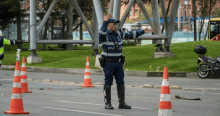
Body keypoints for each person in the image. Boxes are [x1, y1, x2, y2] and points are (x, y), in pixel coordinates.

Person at [99, 13, 153, 110]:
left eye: (116, 24)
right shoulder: (104, 35)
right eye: (113, 24)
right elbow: (101, 33)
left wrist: (143, 31)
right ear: (108, 25)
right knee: (108, 82)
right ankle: (108, 103)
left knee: (121, 82)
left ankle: (122, 103)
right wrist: (105, 21)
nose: (115, 26)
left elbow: (131, 35)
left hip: (118, 63)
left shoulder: (119, 33)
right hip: (108, 63)